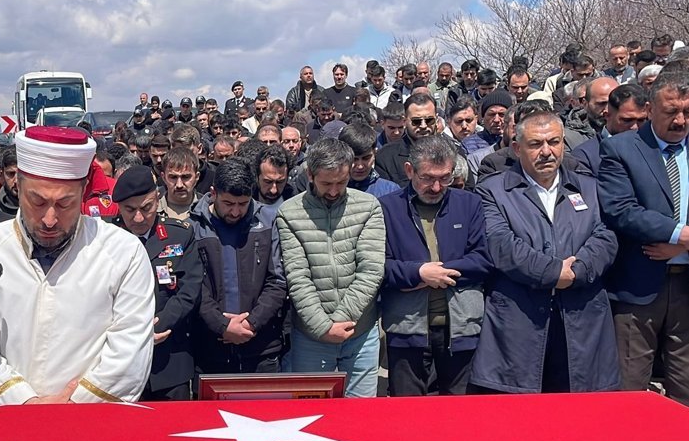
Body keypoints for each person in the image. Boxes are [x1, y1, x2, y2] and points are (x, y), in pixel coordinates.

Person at [0, 126, 155, 404]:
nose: (49, 220)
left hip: (93, 419)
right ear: (18, 187)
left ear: (83, 192)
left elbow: (130, 351)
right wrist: (25, 402)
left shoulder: (124, 252)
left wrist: (72, 404)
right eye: (37, 202)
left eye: (65, 204)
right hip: (8, 419)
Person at [598, 61, 689, 413]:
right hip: (637, 289)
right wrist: (682, 233)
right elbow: (621, 209)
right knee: (628, 393)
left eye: (688, 112)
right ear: (650, 108)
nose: (680, 121)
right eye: (670, 112)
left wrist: (687, 243)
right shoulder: (621, 149)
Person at [472, 112, 620, 394]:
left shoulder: (590, 188)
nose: (546, 151)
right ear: (517, 149)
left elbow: (606, 236)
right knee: (523, 414)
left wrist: (578, 271)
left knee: (577, 412)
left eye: (554, 142)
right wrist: (553, 273)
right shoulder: (492, 191)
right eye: (535, 144)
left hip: (581, 316)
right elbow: (501, 244)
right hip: (519, 321)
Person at [379, 136, 490, 396]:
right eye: (428, 178)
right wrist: (419, 273)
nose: (437, 187)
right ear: (410, 171)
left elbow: (483, 259)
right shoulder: (387, 208)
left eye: (445, 178)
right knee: (408, 409)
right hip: (406, 326)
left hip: (461, 326)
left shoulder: (469, 204)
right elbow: (380, 266)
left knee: (459, 409)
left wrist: (438, 274)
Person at [276, 138, 385, 398]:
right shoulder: (289, 213)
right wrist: (323, 327)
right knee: (310, 410)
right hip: (311, 334)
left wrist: (340, 321)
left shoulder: (368, 207)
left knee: (361, 412)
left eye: (342, 182)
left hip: (360, 330)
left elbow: (371, 270)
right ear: (310, 175)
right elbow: (297, 276)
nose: (334, 191)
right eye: (326, 183)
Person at [110, 166, 201, 400]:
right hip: (121, 359)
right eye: (130, 210)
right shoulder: (106, 239)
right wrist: (137, 332)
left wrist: (158, 326)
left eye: (146, 208)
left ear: (157, 199)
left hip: (170, 357)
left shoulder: (179, 235)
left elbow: (189, 290)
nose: (138, 218)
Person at [190, 159, 287, 374]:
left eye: (243, 204)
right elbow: (194, 287)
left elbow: (278, 281)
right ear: (213, 193)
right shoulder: (194, 226)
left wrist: (251, 323)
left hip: (261, 346)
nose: (235, 212)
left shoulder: (268, 221)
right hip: (210, 347)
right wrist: (222, 326)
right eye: (228, 203)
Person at [570, 83, 650, 175]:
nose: (634, 127)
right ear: (607, 116)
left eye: (641, 120)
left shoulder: (655, 149)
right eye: (627, 120)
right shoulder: (585, 156)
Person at [375, 92, 441, 184]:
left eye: (429, 120)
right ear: (405, 121)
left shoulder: (451, 150)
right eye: (416, 121)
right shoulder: (386, 157)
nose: (423, 126)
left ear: (436, 119)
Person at [0, 147, 19, 223]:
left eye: (21, 174)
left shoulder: (44, 208)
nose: (16, 181)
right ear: (1, 173)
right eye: (11, 174)